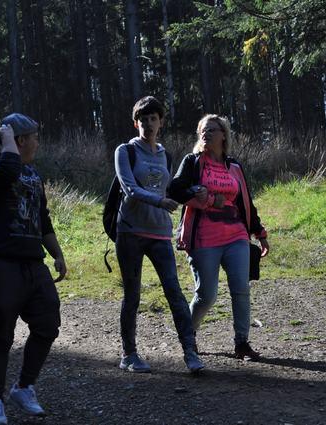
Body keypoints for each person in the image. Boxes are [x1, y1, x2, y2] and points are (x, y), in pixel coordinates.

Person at [0, 113, 67, 425]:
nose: (38, 143)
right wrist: (7, 143)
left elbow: (43, 218)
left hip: (32, 263)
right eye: (34, 137)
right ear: (20, 140)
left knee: (48, 322)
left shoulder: (33, 173)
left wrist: (57, 254)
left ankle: (24, 387)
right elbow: (8, 170)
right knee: (1, 334)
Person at [114, 96, 204, 374]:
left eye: (153, 119)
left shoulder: (165, 155)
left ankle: (190, 352)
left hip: (160, 233)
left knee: (174, 292)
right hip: (130, 232)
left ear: (161, 122)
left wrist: (192, 192)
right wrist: (159, 202)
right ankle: (129, 355)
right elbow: (129, 188)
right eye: (143, 120)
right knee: (132, 295)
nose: (148, 124)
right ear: (136, 123)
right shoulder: (125, 151)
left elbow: (169, 189)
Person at [169, 114, 269, 361]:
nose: (206, 134)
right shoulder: (192, 162)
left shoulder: (234, 166)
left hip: (236, 235)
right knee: (207, 295)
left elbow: (246, 202)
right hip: (204, 238)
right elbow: (174, 190)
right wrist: (206, 196)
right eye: (202, 130)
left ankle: (242, 343)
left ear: (223, 135)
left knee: (241, 289)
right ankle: (188, 335)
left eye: (211, 130)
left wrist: (259, 232)